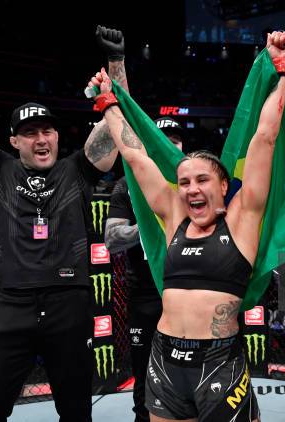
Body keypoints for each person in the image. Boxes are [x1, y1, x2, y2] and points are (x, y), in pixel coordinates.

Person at [89, 30, 285, 422]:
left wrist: (279, 68)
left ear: (222, 186)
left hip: (219, 362)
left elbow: (265, 138)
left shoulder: (242, 219)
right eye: (184, 182)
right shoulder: (173, 221)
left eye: (201, 180)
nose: (191, 189)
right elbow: (136, 160)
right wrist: (108, 103)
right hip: (164, 359)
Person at [0, 22, 127, 421]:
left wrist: (116, 61)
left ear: (57, 135)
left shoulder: (77, 169)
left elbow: (113, 124)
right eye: (30, 133)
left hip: (68, 302)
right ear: (15, 141)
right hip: (12, 305)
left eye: (48, 130)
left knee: (75, 412)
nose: (41, 139)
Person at [104, 117, 185, 422]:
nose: (170, 146)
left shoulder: (193, 182)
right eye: (162, 140)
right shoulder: (128, 185)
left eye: (175, 140)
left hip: (188, 293)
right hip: (146, 295)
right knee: (144, 376)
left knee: (193, 374)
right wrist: (150, 227)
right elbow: (111, 239)